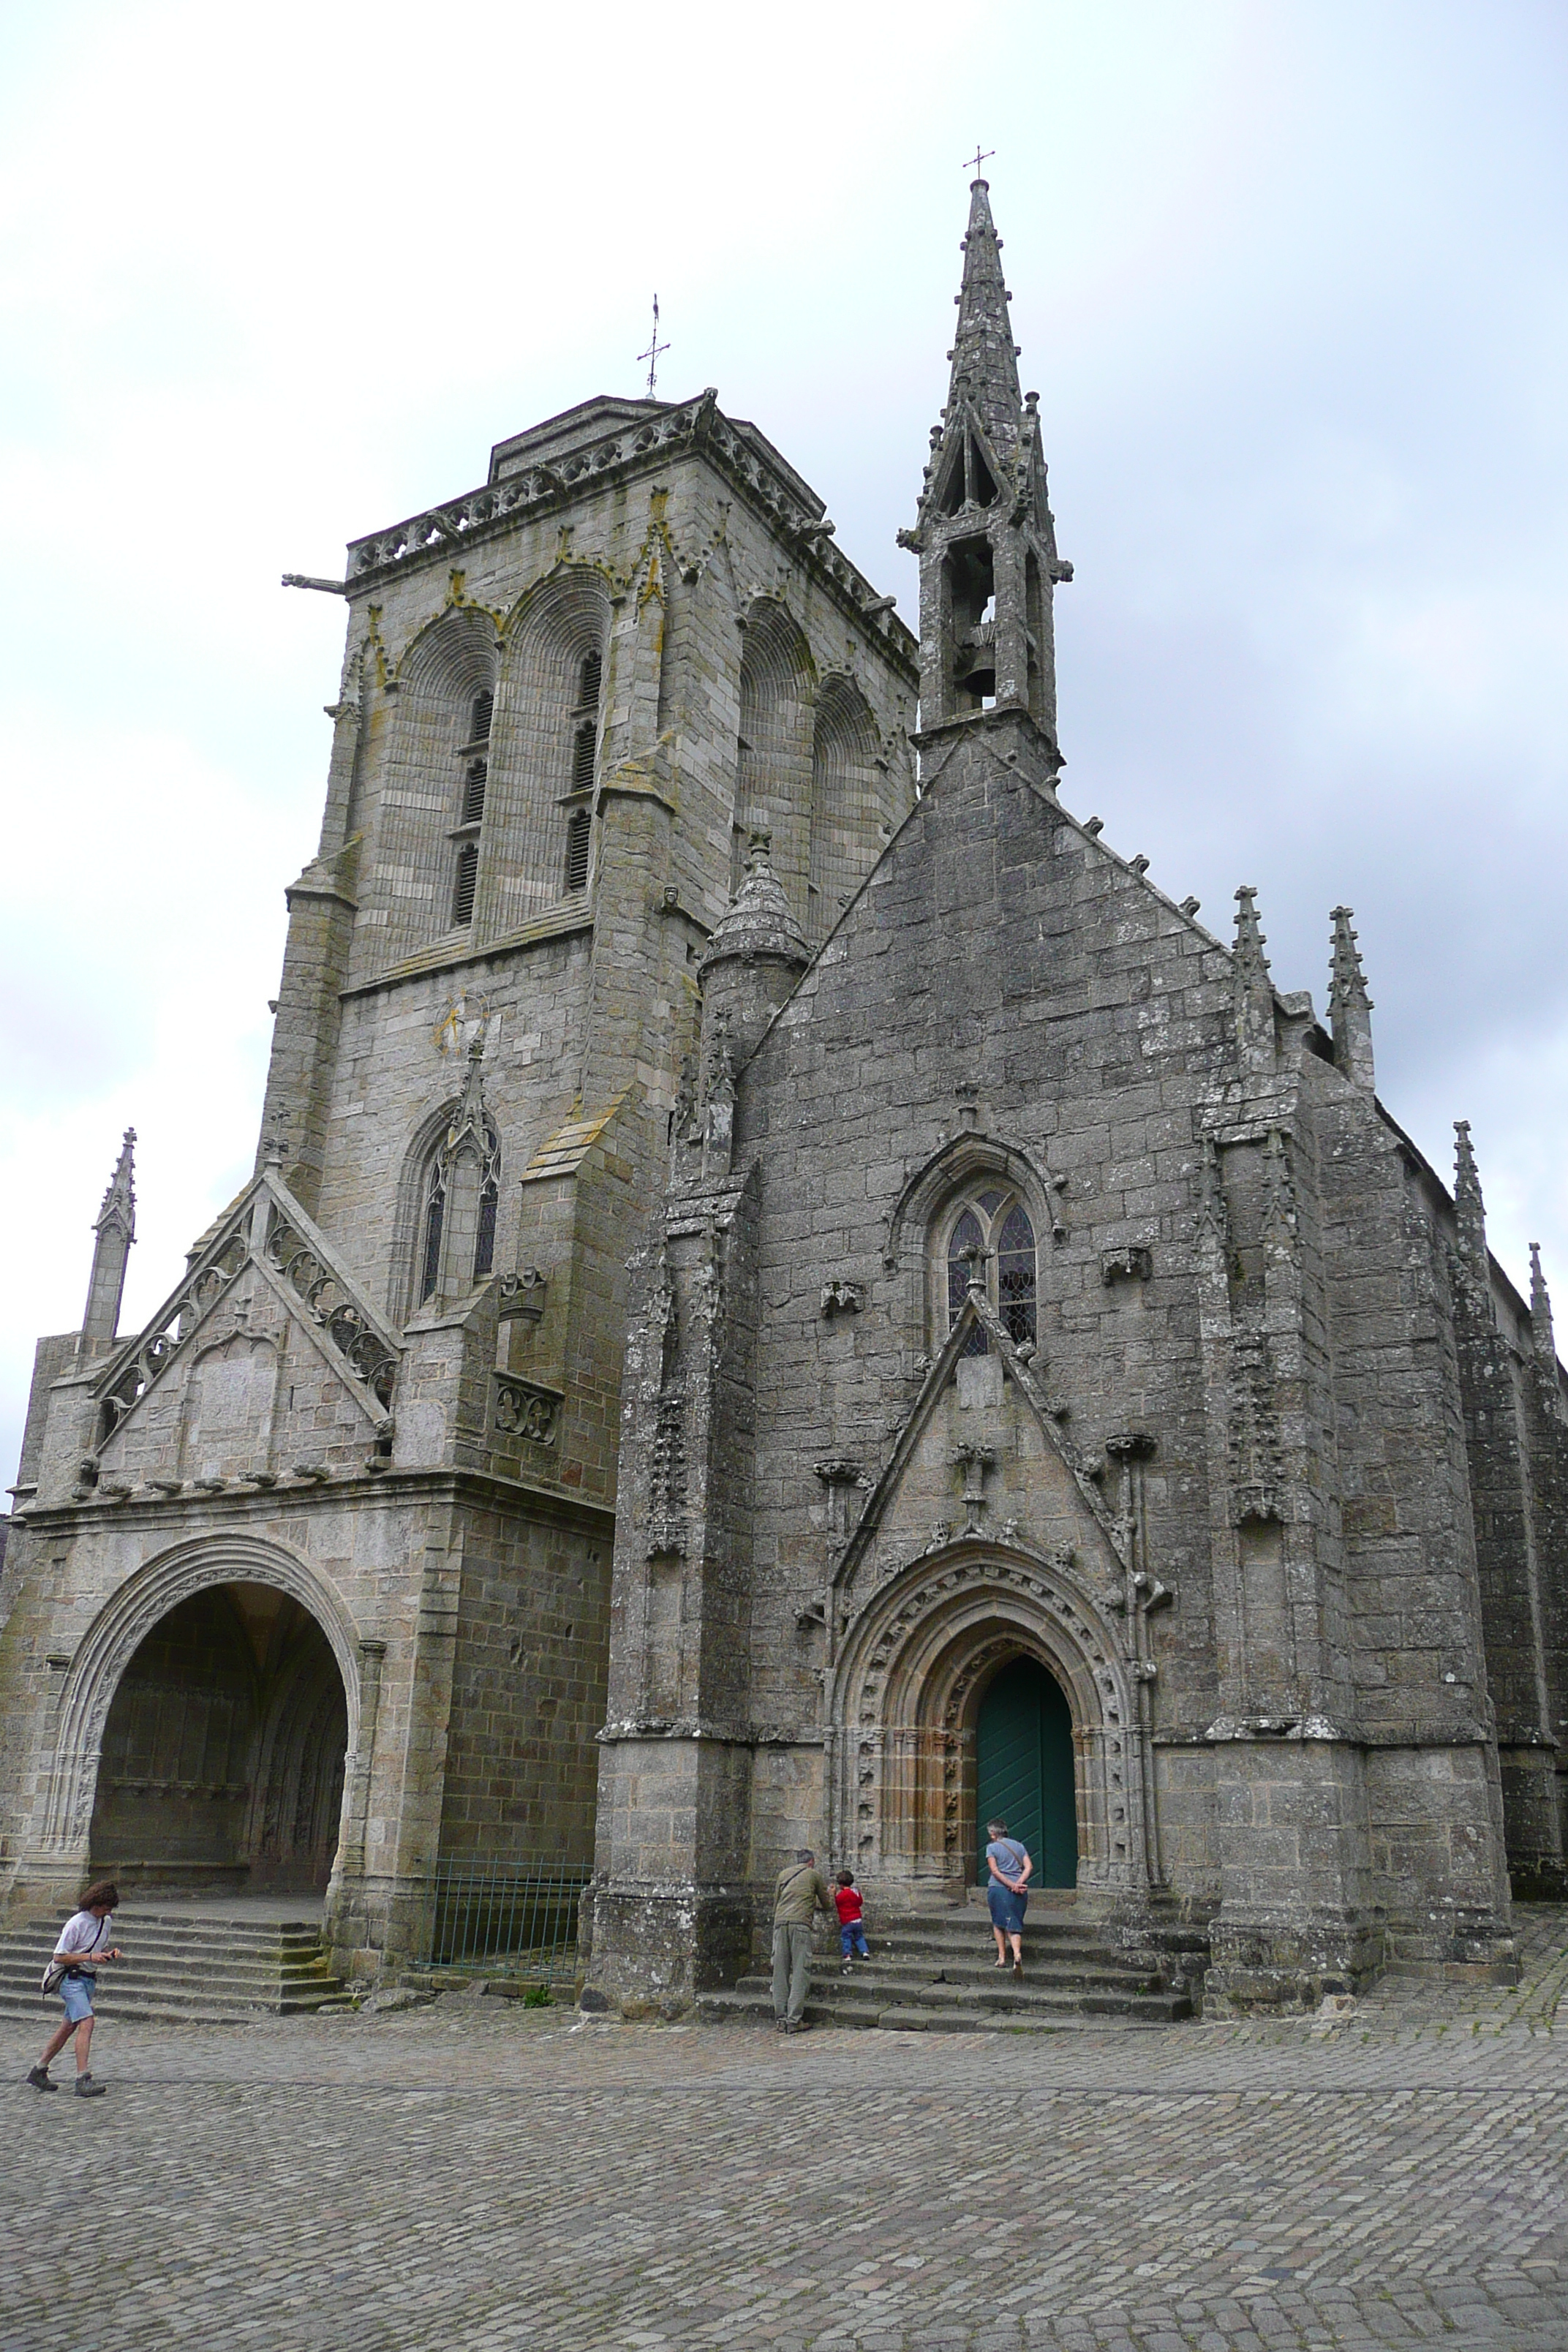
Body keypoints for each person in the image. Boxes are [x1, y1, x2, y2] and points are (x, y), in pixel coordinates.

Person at [28, 1880, 124, 2097]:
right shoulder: (76, 1923)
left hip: (88, 1980)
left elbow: (99, 1946)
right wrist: (90, 1956)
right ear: (96, 1904)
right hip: (71, 1979)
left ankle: (39, 2069)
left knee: (68, 2027)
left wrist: (109, 1953)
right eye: (107, 1908)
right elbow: (59, 1956)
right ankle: (82, 2078)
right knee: (87, 2022)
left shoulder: (105, 1922)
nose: (109, 1912)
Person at [771, 1847, 834, 2032]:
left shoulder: (783, 1874)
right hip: (800, 1925)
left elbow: (777, 1902)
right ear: (811, 1862)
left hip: (780, 1923)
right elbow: (827, 1904)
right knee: (800, 1970)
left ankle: (781, 2019)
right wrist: (831, 1892)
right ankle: (794, 2019)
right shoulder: (813, 1875)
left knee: (780, 1972)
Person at [984, 1819, 1033, 1980]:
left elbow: (995, 1872)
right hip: (1019, 1891)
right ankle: (1017, 1955)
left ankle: (1002, 1957)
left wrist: (1011, 1885)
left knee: (999, 1923)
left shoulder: (992, 1848)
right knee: (1014, 1924)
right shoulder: (1019, 1846)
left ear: (993, 1834)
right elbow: (1029, 1867)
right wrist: (1018, 1883)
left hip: (998, 1889)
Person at [834, 1870, 870, 1972]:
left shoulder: (842, 1895)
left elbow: (837, 1902)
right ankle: (864, 1952)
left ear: (841, 1884)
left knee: (846, 1937)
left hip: (847, 1921)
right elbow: (860, 1902)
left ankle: (847, 1954)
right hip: (857, 1920)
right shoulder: (855, 1892)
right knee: (859, 1936)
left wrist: (834, 1894)